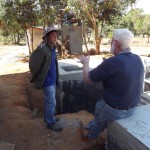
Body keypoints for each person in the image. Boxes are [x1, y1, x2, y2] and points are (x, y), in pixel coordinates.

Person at [78, 29, 144, 140]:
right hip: (132, 108)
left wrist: (85, 63)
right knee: (105, 110)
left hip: (114, 110)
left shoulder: (112, 62)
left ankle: (89, 134)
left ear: (117, 43)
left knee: (100, 108)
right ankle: (100, 124)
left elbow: (88, 79)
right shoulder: (138, 59)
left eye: (112, 40)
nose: (110, 43)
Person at [29, 26, 63, 132]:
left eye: (56, 36)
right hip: (47, 81)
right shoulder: (43, 50)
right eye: (53, 36)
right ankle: (50, 123)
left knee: (49, 101)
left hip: (52, 80)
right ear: (46, 37)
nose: (55, 38)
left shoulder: (52, 48)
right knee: (52, 102)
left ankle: (48, 117)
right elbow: (34, 64)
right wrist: (37, 77)